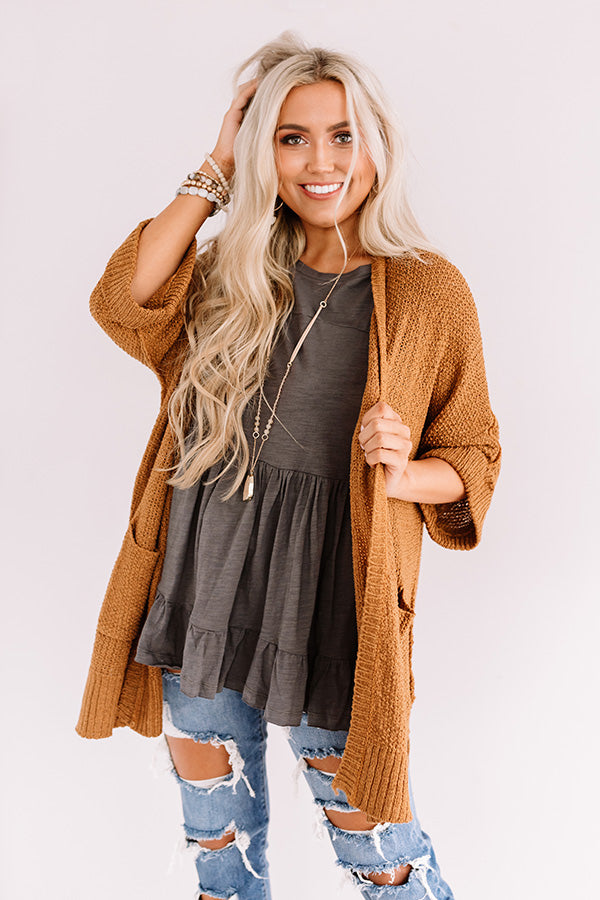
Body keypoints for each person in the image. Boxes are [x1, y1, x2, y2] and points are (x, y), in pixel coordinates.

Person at [77, 32, 501, 900]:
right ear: (262, 150)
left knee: (385, 861)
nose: (320, 161)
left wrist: (404, 474)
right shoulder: (230, 276)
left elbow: (475, 454)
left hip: (332, 610)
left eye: (342, 135)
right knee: (222, 861)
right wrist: (217, 165)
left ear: (375, 144)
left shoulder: (427, 291)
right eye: (291, 137)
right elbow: (123, 301)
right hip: (201, 592)